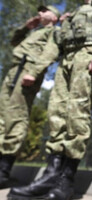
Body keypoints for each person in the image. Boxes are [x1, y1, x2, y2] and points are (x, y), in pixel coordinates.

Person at [8, 1, 92, 200]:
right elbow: (54, 43)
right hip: (66, 58)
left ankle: (66, 180)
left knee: (77, 112)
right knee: (56, 112)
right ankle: (51, 175)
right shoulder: (73, 14)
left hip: (87, 54)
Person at [0, 5, 60, 189]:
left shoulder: (54, 31)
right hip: (13, 72)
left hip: (27, 72)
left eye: (45, 11)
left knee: (17, 116)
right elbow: (14, 41)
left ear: (54, 17)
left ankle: (3, 170)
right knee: (2, 116)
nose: (40, 13)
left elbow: (50, 52)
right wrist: (27, 27)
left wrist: (33, 72)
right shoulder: (35, 31)